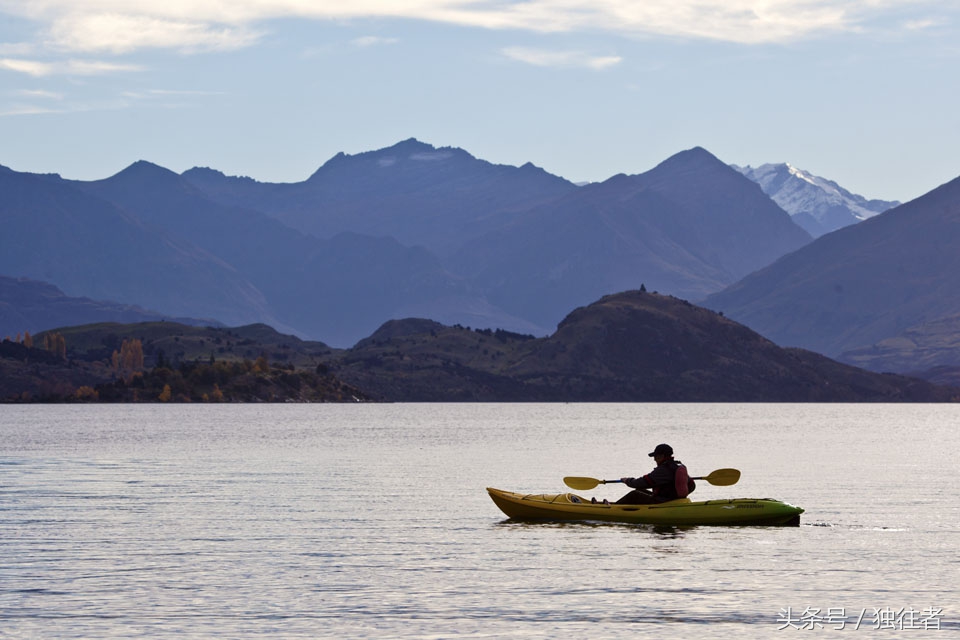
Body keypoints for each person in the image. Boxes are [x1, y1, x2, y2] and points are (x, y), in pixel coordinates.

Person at [615, 443, 695, 504]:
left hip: (666, 502)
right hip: (673, 500)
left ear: (662, 456)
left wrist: (627, 480)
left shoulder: (664, 469)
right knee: (640, 490)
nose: (654, 460)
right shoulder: (678, 466)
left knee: (634, 494)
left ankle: (613, 508)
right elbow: (692, 485)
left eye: (655, 456)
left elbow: (642, 482)